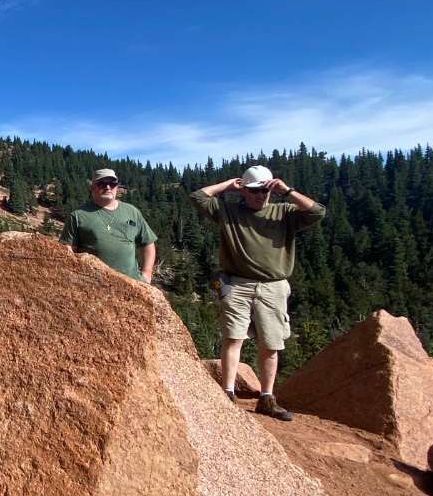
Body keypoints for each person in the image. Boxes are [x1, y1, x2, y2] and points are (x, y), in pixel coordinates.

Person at [190, 165, 325, 420]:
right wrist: (228, 185)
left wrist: (287, 191)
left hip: (273, 286)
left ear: (271, 188)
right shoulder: (228, 210)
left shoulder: (285, 212)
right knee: (233, 337)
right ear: (244, 191)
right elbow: (197, 197)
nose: (260, 195)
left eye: (265, 190)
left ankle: (267, 397)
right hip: (237, 284)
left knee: (271, 342)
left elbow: (317, 212)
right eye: (254, 190)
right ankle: (227, 393)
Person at [60, 168, 158, 283]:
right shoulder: (78, 215)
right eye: (102, 183)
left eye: (112, 183)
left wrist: (147, 272)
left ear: (117, 187)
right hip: (94, 284)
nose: (108, 187)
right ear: (92, 188)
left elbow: (147, 242)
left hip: (132, 283)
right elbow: (68, 250)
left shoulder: (132, 211)